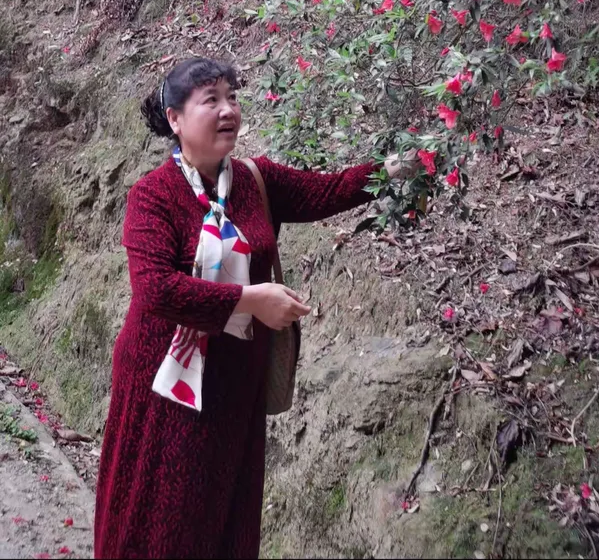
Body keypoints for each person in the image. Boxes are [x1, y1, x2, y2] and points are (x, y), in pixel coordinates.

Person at [94, 55, 404, 560]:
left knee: (223, 519)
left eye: (232, 97)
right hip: (167, 388)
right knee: (160, 523)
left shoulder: (254, 181)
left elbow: (328, 191)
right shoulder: (151, 197)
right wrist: (250, 300)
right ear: (175, 118)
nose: (227, 110)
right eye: (210, 100)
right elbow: (155, 291)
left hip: (234, 390)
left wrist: (392, 170)